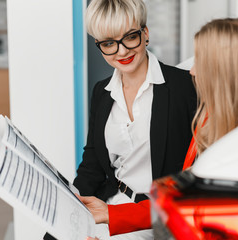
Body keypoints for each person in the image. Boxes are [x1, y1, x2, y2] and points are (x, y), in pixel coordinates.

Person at [83, 17, 238, 240]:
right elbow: (186, 199)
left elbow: (202, 212)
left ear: (225, 73)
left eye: (201, 63)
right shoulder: (208, 122)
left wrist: (115, 216)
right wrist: (112, 214)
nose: (192, 71)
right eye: (108, 43)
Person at [44, 0, 196, 239]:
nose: (122, 51)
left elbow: (198, 170)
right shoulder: (102, 92)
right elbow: (92, 163)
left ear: (145, 34)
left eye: (130, 37)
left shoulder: (183, 86)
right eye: (108, 43)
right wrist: (66, 212)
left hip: (155, 216)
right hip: (110, 204)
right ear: (99, 45)